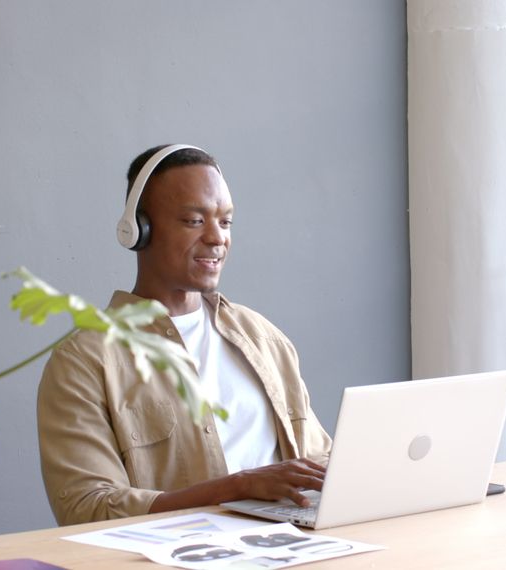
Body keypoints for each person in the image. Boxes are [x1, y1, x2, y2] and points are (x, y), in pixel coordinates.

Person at [36, 144, 332, 526]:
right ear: (138, 231)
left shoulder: (265, 339)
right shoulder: (85, 361)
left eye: (225, 222)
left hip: (295, 547)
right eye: (195, 221)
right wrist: (235, 487)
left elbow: (318, 460)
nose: (216, 238)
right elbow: (85, 507)